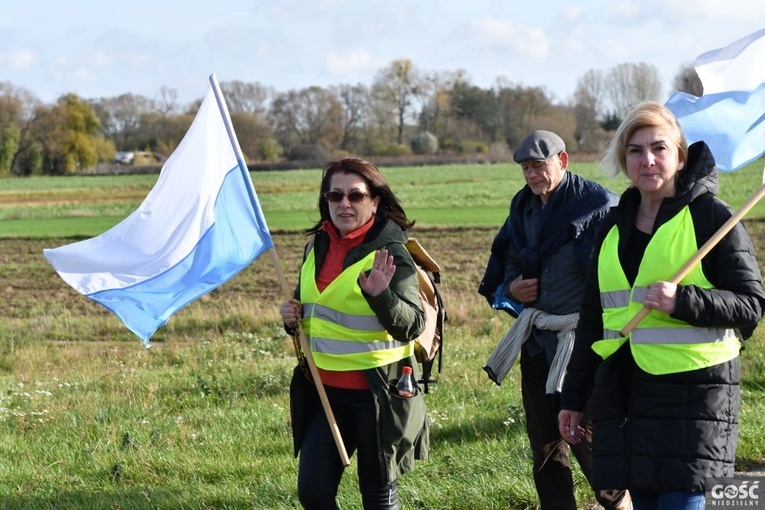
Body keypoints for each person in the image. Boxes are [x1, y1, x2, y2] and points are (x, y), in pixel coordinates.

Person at [558, 101, 765, 510]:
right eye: (635, 150)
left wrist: (683, 300)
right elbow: (592, 320)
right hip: (629, 398)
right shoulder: (610, 226)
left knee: (688, 501)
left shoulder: (712, 217)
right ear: (624, 159)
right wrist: (573, 397)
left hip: (697, 397)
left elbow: (750, 305)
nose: (647, 160)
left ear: (680, 156)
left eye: (659, 148)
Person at [478, 130, 630, 510]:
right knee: (544, 443)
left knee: (589, 439)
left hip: (583, 345)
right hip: (536, 342)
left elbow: (616, 274)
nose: (531, 175)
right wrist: (512, 288)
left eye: (538, 165)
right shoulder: (522, 207)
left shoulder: (596, 205)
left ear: (562, 161)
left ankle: (621, 503)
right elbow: (509, 256)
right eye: (525, 168)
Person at [279, 157, 429, 510]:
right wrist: (291, 317)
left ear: (374, 201)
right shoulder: (316, 246)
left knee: (376, 500)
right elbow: (313, 312)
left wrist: (382, 295)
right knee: (313, 494)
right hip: (325, 394)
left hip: (378, 397)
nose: (344, 204)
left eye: (356, 196)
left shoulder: (392, 251)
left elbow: (412, 325)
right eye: (335, 196)